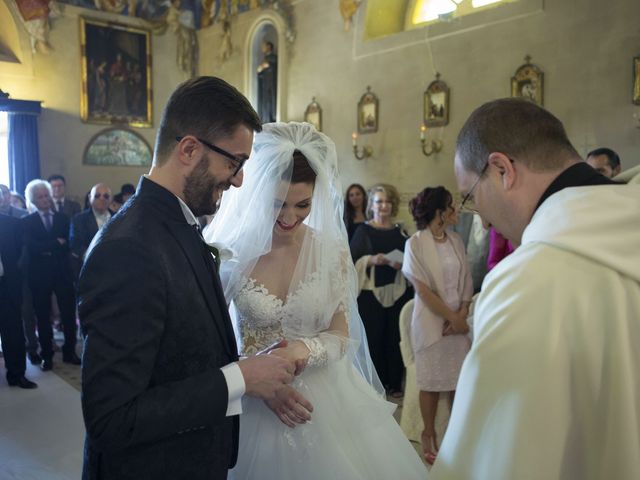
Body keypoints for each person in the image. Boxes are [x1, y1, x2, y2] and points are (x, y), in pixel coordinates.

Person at [79, 77, 299, 480]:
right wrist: (239, 378)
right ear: (189, 149)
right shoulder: (128, 249)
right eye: (234, 162)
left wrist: (249, 369)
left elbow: (177, 356)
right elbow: (112, 418)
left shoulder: (181, 225)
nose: (238, 180)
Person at [431, 98, 640, 479]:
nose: (486, 221)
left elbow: (493, 461)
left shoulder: (525, 283)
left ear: (501, 170)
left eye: (470, 196)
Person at [206, 122, 427, 479]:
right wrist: (257, 376)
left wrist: (302, 351)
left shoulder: (331, 251)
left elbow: (342, 334)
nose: (289, 217)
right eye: (277, 205)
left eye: (303, 204)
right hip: (249, 395)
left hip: (325, 397)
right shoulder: (230, 253)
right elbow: (210, 339)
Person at [402, 186, 473, 465]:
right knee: (430, 383)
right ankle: (429, 435)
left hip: (457, 322)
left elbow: (466, 277)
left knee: (458, 382)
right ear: (439, 212)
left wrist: (462, 312)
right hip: (432, 322)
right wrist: (450, 317)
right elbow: (423, 290)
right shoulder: (416, 243)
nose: (456, 211)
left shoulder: (456, 240)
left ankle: (456, 437)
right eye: (451, 207)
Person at [350, 184, 412, 397]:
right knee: (374, 338)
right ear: (372, 205)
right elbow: (351, 261)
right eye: (379, 201)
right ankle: (375, 385)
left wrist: (403, 264)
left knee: (395, 337)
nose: (383, 206)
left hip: (398, 290)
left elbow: (411, 258)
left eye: (387, 202)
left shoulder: (400, 231)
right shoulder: (363, 230)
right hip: (370, 294)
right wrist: (371, 259)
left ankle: (394, 383)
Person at [22, 179, 80, 370]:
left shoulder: (63, 218)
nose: (45, 199)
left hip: (62, 273)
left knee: (68, 314)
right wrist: (55, 243)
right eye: (40, 196)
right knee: (42, 316)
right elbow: (32, 248)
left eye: (46, 195)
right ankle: (46, 354)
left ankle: (69, 351)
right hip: (39, 276)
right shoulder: (27, 221)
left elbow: (68, 244)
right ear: (33, 200)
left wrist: (47, 248)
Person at [0, 213, 37, 389]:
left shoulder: (11, 223)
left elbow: (23, 254)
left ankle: (17, 374)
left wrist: (17, 275)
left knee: (13, 331)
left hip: (7, 285)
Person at [70, 183, 113, 278]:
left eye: (106, 196)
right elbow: (76, 244)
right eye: (97, 195)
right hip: (89, 270)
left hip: (113, 269)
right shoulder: (79, 219)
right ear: (90, 198)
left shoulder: (118, 217)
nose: (102, 199)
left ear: (111, 199)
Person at [257, 40, 277, 123]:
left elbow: (271, 65)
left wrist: (263, 66)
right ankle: (265, 119)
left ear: (269, 47)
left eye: (264, 46)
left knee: (270, 102)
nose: (262, 48)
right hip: (265, 85)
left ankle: (270, 118)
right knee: (264, 103)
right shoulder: (265, 59)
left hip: (271, 85)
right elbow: (259, 71)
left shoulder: (273, 57)